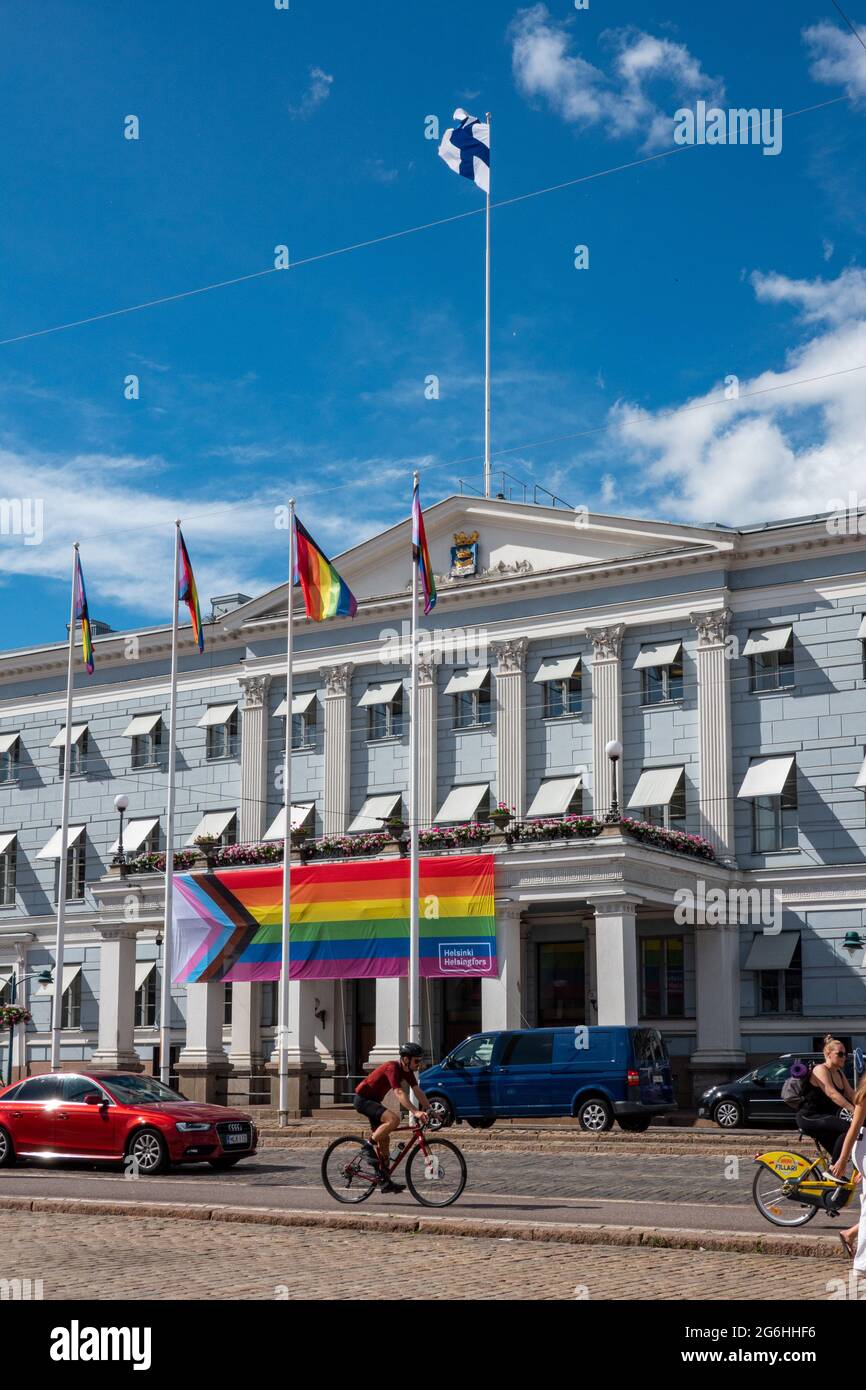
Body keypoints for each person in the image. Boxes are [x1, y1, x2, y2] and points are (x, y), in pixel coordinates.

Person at [354, 1042, 428, 1194]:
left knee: (384, 1139)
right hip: (363, 1100)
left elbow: (417, 1090)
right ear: (406, 1059)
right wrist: (415, 1112)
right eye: (416, 1060)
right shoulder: (392, 1067)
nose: (418, 1064)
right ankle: (367, 1146)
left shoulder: (407, 1071)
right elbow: (399, 1093)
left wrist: (430, 1109)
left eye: (420, 1060)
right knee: (394, 1119)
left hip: (374, 1101)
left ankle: (384, 1179)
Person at [797, 1035, 856, 1167]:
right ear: (828, 1054)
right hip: (809, 1117)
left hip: (826, 1118)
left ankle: (832, 1178)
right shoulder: (820, 1069)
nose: (844, 1057)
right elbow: (831, 1093)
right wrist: (853, 1109)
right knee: (848, 1129)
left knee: (846, 1150)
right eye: (840, 1054)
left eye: (845, 1054)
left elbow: (851, 1093)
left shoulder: (839, 1073)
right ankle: (834, 1172)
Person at [830, 1075, 866, 1261]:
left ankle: (850, 1234)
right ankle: (862, 1263)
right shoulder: (864, 1096)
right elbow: (854, 1129)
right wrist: (843, 1160)